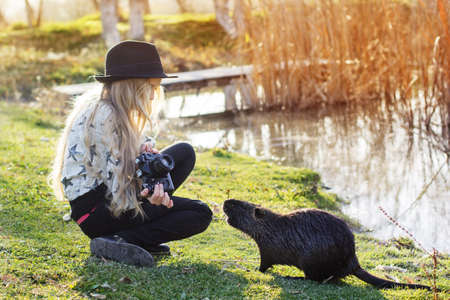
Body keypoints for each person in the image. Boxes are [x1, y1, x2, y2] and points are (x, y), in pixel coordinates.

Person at [50, 40, 213, 267]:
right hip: (97, 212)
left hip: (109, 199)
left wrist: (146, 154)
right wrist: (151, 194)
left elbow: (128, 161)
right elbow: (120, 189)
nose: (154, 96)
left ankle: (132, 238)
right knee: (200, 213)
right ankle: (120, 240)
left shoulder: (114, 108)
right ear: (133, 85)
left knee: (184, 153)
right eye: (152, 87)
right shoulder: (104, 116)